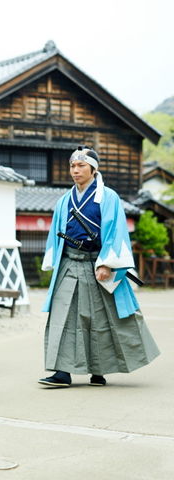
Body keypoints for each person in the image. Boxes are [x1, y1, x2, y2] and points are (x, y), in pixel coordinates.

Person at [39, 146, 160, 387]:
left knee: (100, 319)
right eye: (72, 166)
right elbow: (55, 233)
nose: (75, 170)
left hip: (97, 264)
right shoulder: (65, 200)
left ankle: (99, 370)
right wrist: (55, 260)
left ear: (94, 169)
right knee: (64, 316)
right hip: (69, 263)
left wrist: (107, 263)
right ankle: (62, 371)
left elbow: (116, 233)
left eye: (81, 165)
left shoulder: (109, 197)